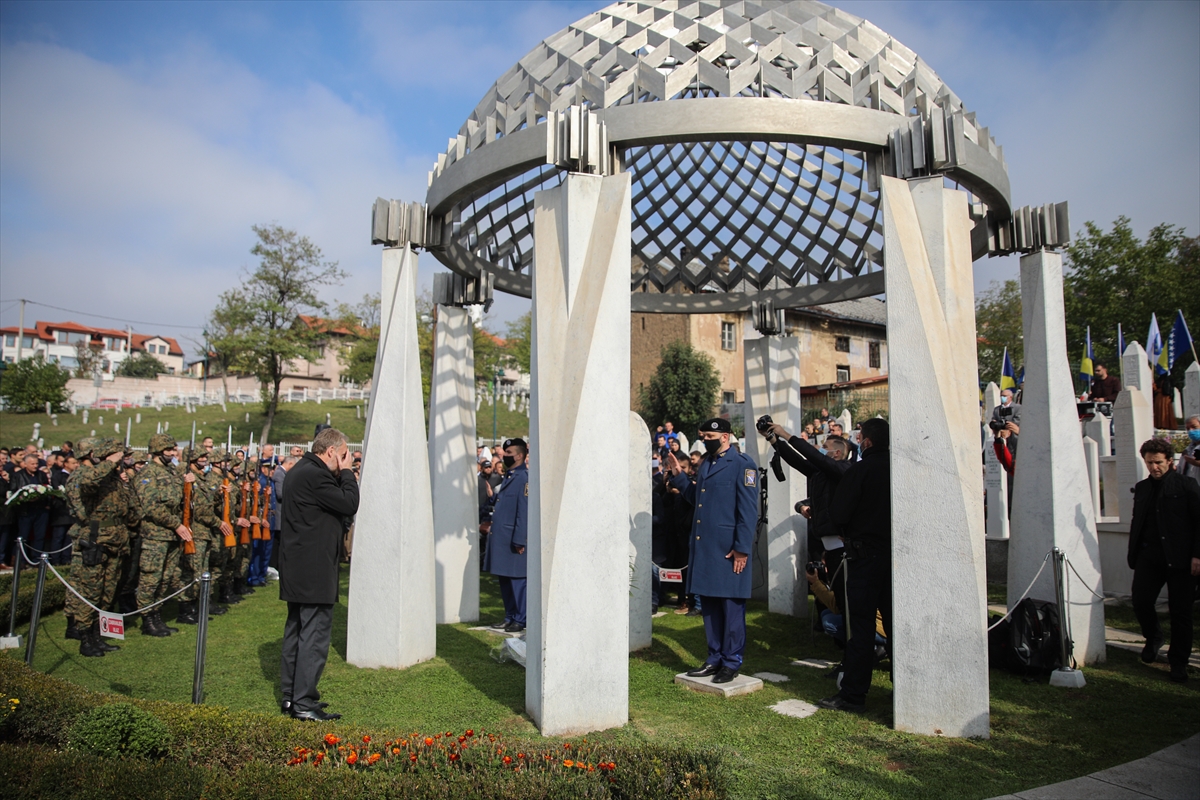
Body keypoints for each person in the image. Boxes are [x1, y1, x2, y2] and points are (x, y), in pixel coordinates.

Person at [666, 417, 757, 684]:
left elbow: (748, 511)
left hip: (729, 550)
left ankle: (731, 661)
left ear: (725, 437)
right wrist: (679, 477)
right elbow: (698, 500)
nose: (705, 441)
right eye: (702, 437)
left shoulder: (743, 465)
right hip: (706, 548)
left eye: (708, 436)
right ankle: (714, 657)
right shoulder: (707, 464)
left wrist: (741, 548)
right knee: (710, 607)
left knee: (730, 607)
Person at [279, 427, 359, 722]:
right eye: (342, 455)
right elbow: (350, 503)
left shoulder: (301, 470)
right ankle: (303, 701)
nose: (344, 460)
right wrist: (348, 473)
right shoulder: (315, 474)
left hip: (299, 565)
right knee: (313, 635)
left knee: (296, 631)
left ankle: (291, 696)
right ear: (329, 452)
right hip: (312, 569)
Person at [819, 417, 891, 713]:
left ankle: (853, 694)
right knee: (896, 627)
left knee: (859, 629)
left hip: (864, 558)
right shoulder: (901, 470)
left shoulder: (860, 471)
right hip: (896, 559)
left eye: (861, 438)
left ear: (868, 442)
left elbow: (840, 514)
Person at [1127, 437, 1200, 683]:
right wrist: (1134, 554)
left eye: (1158, 462)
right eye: (1149, 463)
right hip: (1150, 557)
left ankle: (1178, 662)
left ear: (1170, 461)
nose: (1153, 467)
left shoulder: (1187, 486)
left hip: (1180, 559)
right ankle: (1154, 636)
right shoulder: (1143, 488)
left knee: (1181, 612)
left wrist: (1197, 555)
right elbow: (1138, 522)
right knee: (1140, 600)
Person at [68, 439, 143, 657]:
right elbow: (88, 482)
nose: (124, 460)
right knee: (91, 591)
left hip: (118, 540)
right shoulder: (88, 474)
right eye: (121, 456)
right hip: (97, 540)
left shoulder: (116, 479)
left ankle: (97, 636)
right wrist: (110, 461)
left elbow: (130, 508)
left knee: (108, 592)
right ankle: (85, 638)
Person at [134, 434, 194, 638]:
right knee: (150, 578)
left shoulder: (170, 472)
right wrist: (176, 525)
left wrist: (188, 484)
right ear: (158, 451)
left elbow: (179, 501)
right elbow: (151, 507)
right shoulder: (148, 473)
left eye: (173, 449)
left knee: (165, 578)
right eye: (168, 449)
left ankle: (156, 614)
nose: (173, 452)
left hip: (171, 535)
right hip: (156, 535)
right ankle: (146, 618)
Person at [483, 438, 529, 632]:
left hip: (513, 539)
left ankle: (521, 618)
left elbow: (523, 512)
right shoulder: (509, 476)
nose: (505, 457)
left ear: (519, 455)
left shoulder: (524, 478)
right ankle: (509, 616)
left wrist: (520, 539)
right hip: (502, 539)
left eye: (508, 453)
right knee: (505, 580)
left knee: (517, 581)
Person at [1179, 416, 1200, 490]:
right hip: (1188, 491)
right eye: (1188, 429)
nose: (1191, 431)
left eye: (1194, 427)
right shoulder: (1187, 450)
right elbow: (1180, 469)